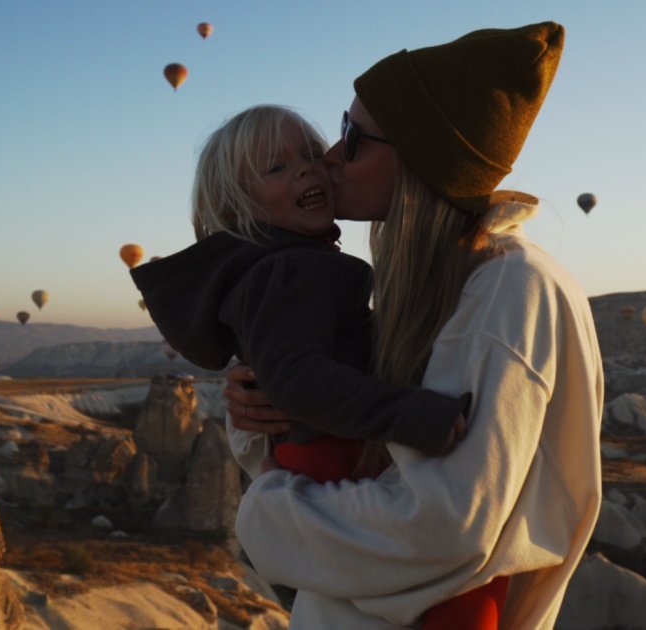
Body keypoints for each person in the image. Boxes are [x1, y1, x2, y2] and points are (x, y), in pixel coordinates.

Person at [225, 22, 604, 629]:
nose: (328, 156)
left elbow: (447, 520)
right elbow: (364, 449)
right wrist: (262, 406)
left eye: (352, 136)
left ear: (420, 156)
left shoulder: (509, 289)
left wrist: (267, 508)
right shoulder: (435, 285)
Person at [130, 105, 471, 480]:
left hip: (325, 451)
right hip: (340, 456)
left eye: (312, 155)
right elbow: (297, 379)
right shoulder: (289, 269)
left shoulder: (278, 266)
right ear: (236, 207)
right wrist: (412, 414)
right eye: (277, 168)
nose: (306, 169)